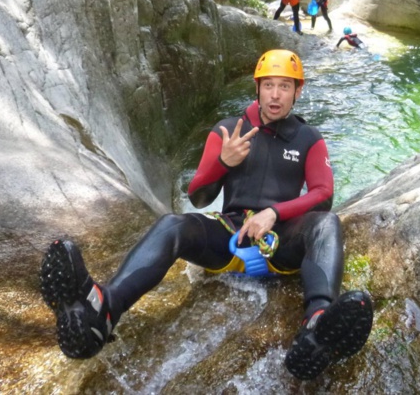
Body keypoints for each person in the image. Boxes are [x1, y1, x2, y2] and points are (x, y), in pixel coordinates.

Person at [40, 49, 374, 381]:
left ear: (298, 91)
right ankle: (102, 311)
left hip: (281, 240)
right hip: (229, 237)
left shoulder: (308, 138)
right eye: (269, 85)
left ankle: (318, 327)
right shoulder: (228, 130)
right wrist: (223, 162)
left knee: (326, 223)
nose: (275, 94)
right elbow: (199, 196)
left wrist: (274, 212)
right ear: (257, 88)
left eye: (285, 86)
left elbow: (323, 195)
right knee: (173, 224)